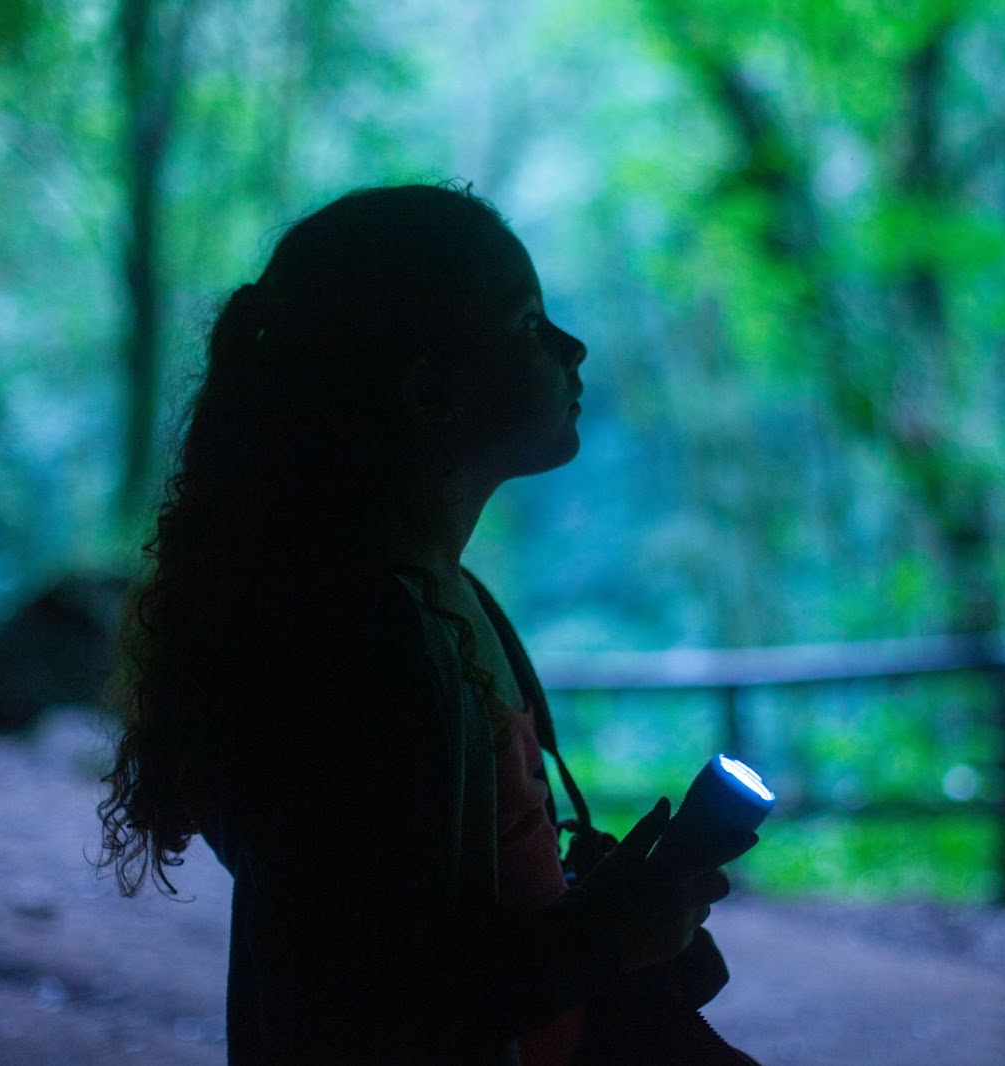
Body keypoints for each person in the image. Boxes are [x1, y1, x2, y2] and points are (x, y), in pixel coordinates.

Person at [96, 182, 754, 1064]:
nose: (572, 347)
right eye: (528, 325)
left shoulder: (446, 602)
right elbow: (361, 1003)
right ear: (431, 389)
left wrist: (590, 904)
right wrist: (610, 936)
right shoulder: (359, 644)